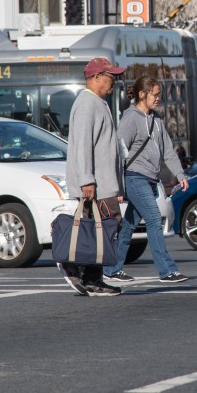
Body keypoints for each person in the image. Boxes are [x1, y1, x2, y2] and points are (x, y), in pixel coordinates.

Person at [104, 75, 190, 284]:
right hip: (134, 177)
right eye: (155, 94)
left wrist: (180, 174)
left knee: (128, 225)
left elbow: (168, 150)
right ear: (142, 94)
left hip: (150, 179)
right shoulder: (131, 119)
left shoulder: (157, 119)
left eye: (160, 94)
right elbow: (119, 152)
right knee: (153, 218)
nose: (158, 98)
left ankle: (112, 268)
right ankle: (167, 270)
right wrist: (118, 185)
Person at [62, 57, 127, 297]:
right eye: (111, 77)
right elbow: (82, 145)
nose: (114, 82)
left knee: (98, 229)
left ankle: (90, 276)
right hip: (96, 184)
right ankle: (80, 271)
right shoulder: (88, 103)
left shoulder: (97, 102)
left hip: (102, 183)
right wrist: (87, 179)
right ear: (96, 77)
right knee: (105, 228)